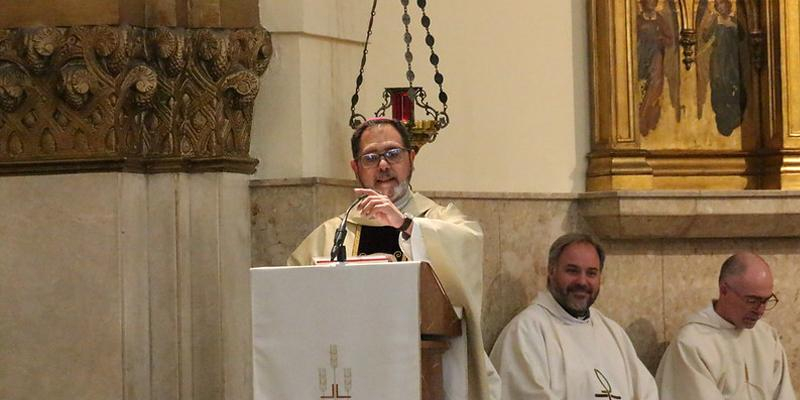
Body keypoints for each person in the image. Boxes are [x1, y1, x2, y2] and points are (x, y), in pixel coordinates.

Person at [287, 117, 500, 400]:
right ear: (355, 168)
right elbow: (291, 297)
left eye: (393, 154)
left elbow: (468, 244)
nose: (383, 165)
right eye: (371, 158)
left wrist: (407, 225)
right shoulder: (333, 233)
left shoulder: (435, 219)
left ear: (411, 159)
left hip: (426, 370)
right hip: (354, 371)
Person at [489, 233, 658, 400]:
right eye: (572, 271)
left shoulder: (613, 333)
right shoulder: (527, 332)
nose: (582, 282)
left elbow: (647, 392)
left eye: (591, 273)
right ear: (551, 271)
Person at [656, 252, 795, 399]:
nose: (760, 310)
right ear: (724, 290)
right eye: (752, 300)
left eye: (766, 300)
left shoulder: (766, 337)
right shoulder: (692, 344)